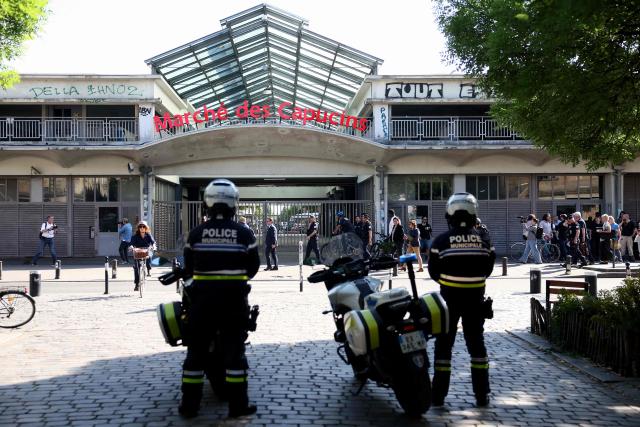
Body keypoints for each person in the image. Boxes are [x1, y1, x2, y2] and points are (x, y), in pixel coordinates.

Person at [178, 179, 260, 419]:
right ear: (234, 204)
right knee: (235, 356)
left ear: (208, 204)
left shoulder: (196, 234)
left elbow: (188, 267)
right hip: (234, 303)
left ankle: (189, 407)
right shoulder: (245, 234)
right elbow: (253, 267)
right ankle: (238, 406)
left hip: (202, 303)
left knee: (195, 355)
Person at [428, 192, 495, 407]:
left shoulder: (441, 240)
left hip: (449, 302)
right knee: (477, 347)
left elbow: (433, 272)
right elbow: (488, 269)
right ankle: (482, 395)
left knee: (444, 347)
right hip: (475, 301)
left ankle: (438, 396)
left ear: (449, 213)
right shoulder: (484, 241)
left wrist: (451, 282)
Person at [130, 221, 155, 291]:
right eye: (140, 227)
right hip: (138, 252)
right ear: (138, 228)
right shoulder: (135, 236)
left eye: (143, 226)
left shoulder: (148, 235)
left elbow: (153, 242)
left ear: (146, 228)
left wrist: (154, 246)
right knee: (136, 268)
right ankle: (137, 284)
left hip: (146, 251)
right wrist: (131, 247)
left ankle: (148, 268)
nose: (142, 228)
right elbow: (131, 244)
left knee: (150, 254)